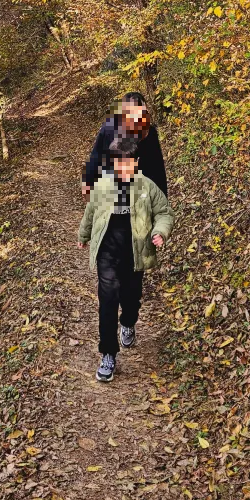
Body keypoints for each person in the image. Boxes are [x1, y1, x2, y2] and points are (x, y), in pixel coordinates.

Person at [78, 136, 175, 383]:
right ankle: (108, 353)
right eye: (117, 163)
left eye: (127, 163)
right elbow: (91, 211)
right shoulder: (102, 185)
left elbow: (164, 213)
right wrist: (83, 235)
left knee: (131, 298)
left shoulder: (147, 187)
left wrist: (160, 232)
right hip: (107, 254)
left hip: (135, 254)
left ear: (136, 161)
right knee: (107, 300)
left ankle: (128, 322)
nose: (122, 168)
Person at [82, 91, 167, 199]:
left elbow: (157, 169)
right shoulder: (110, 130)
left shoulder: (150, 133)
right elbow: (96, 158)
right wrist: (88, 185)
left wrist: (163, 199)